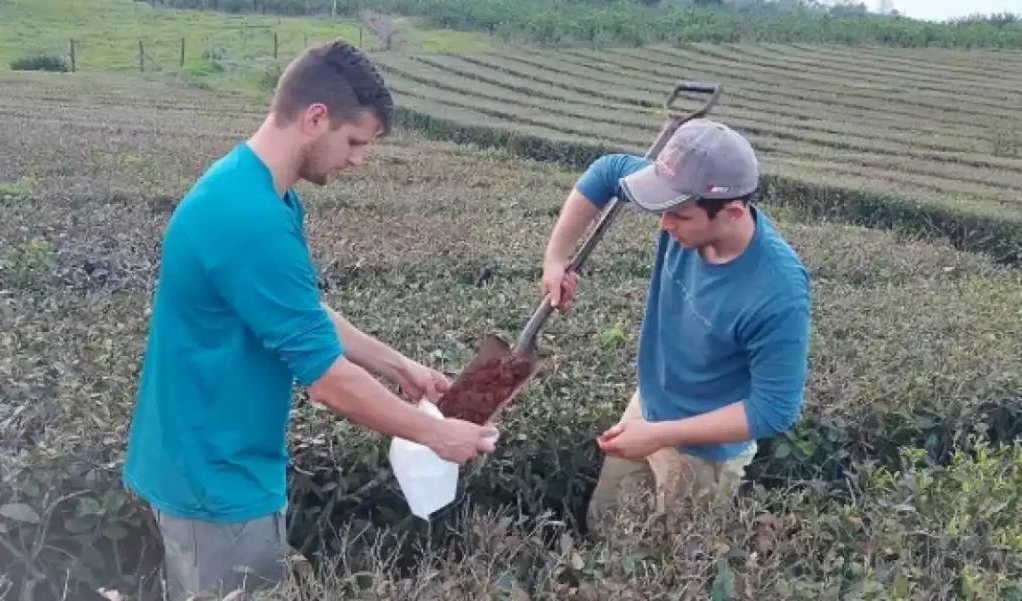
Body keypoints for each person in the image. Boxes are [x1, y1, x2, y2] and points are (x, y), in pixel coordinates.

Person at [121, 40, 498, 600]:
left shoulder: (259, 191)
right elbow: (327, 383)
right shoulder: (248, 218)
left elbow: (300, 312)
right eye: (353, 142)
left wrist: (401, 367)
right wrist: (437, 434)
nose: (356, 160)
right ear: (315, 118)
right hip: (213, 478)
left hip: (217, 459)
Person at [539, 119, 811, 534]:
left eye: (680, 215)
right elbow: (606, 171)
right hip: (648, 407)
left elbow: (774, 409)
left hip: (704, 454)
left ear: (732, 211)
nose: (665, 225)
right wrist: (556, 257)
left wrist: (662, 435)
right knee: (604, 522)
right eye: (663, 209)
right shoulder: (685, 207)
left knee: (663, 558)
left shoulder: (778, 290)